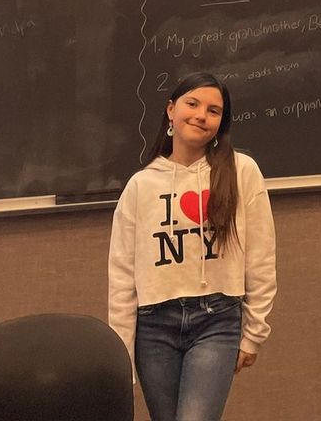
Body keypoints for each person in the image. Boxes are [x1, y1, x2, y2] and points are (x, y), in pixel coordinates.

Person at [108, 72, 277, 420]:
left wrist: (254, 333)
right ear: (171, 110)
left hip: (216, 321)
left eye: (214, 111)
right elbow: (122, 276)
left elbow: (261, 255)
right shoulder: (140, 186)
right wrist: (121, 355)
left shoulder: (241, 171)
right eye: (193, 103)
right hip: (154, 326)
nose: (202, 115)